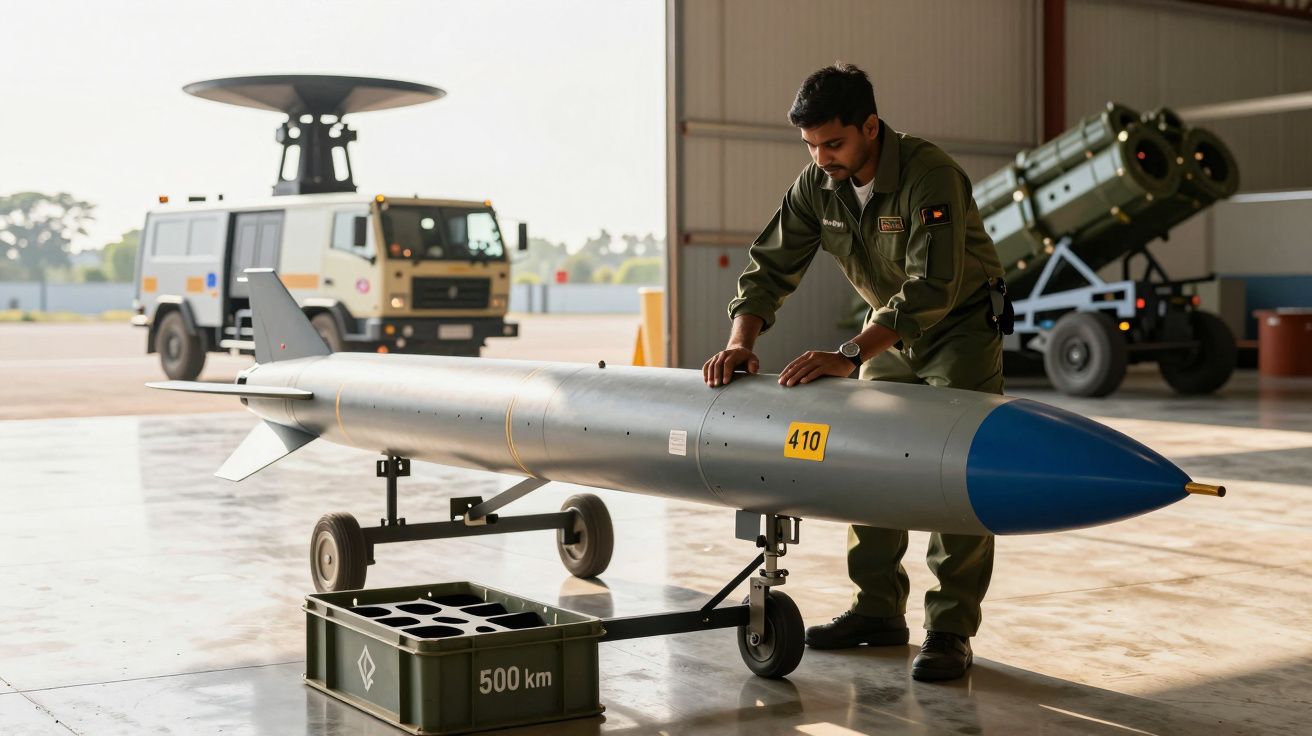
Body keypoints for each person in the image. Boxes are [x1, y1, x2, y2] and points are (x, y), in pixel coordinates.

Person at [701, 63, 1008, 682]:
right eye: (811, 146)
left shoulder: (931, 176)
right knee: (870, 462)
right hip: (884, 332)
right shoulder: (818, 183)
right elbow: (770, 265)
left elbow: (933, 287)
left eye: (833, 143)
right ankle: (876, 611)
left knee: (954, 472)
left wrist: (848, 355)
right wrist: (740, 341)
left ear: (871, 126)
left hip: (959, 329)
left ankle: (949, 629)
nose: (822, 158)